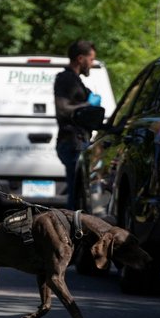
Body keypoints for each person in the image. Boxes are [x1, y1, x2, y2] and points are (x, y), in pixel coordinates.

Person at [54, 40, 101, 210]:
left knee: (80, 193)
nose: (92, 63)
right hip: (71, 142)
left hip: (79, 141)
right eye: (91, 59)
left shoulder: (75, 80)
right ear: (81, 58)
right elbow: (62, 109)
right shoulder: (65, 78)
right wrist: (88, 105)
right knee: (76, 194)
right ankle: (72, 231)